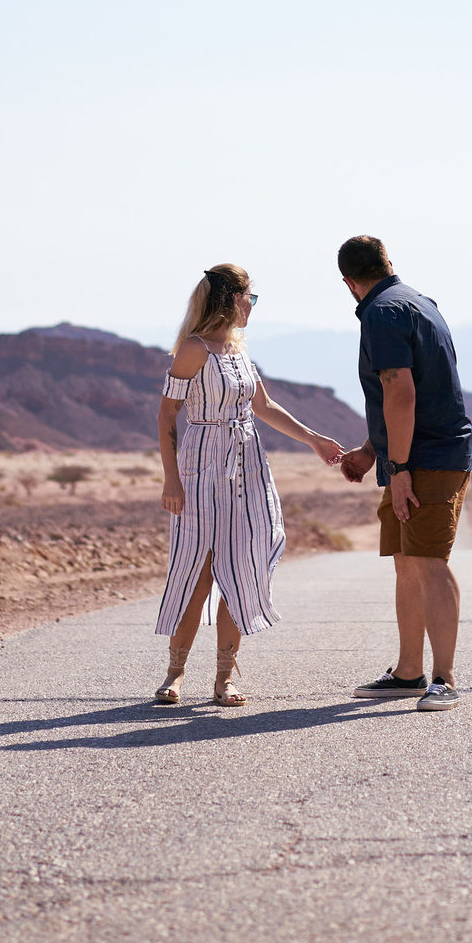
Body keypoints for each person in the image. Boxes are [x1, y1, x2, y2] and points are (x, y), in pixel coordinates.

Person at [153, 263, 345, 706]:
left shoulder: (239, 351)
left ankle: (224, 679)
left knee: (242, 569)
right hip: (200, 469)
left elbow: (265, 406)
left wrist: (314, 439)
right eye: (249, 298)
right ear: (228, 299)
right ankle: (175, 673)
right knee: (196, 572)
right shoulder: (193, 349)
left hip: (248, 470)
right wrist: (172, 480)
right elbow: (167, 414)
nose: (252, 307)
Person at [333, 236, 472, 711]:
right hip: (419, 454)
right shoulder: (419, 302)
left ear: (348, 282)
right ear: (387, 264)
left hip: (426, 459)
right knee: (407, 559)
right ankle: (409, 672)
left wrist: (401, 468)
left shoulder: (380, 313)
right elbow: (420, 390)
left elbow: (403, 395)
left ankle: (445, 679)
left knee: (430, 559)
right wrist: (374, 450)